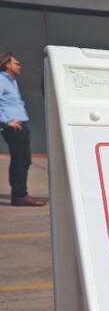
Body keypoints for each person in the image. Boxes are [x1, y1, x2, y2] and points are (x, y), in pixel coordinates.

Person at [0, 52, 46, 207]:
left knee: (22, 160)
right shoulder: (1, 80)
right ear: (7, 64)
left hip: (20, 125)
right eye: (16, 63)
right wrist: (6, 121)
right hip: (14, 127)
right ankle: (20, 196)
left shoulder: (11, 80)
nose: (19, 65)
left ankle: (19, 195)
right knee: (21, 161)